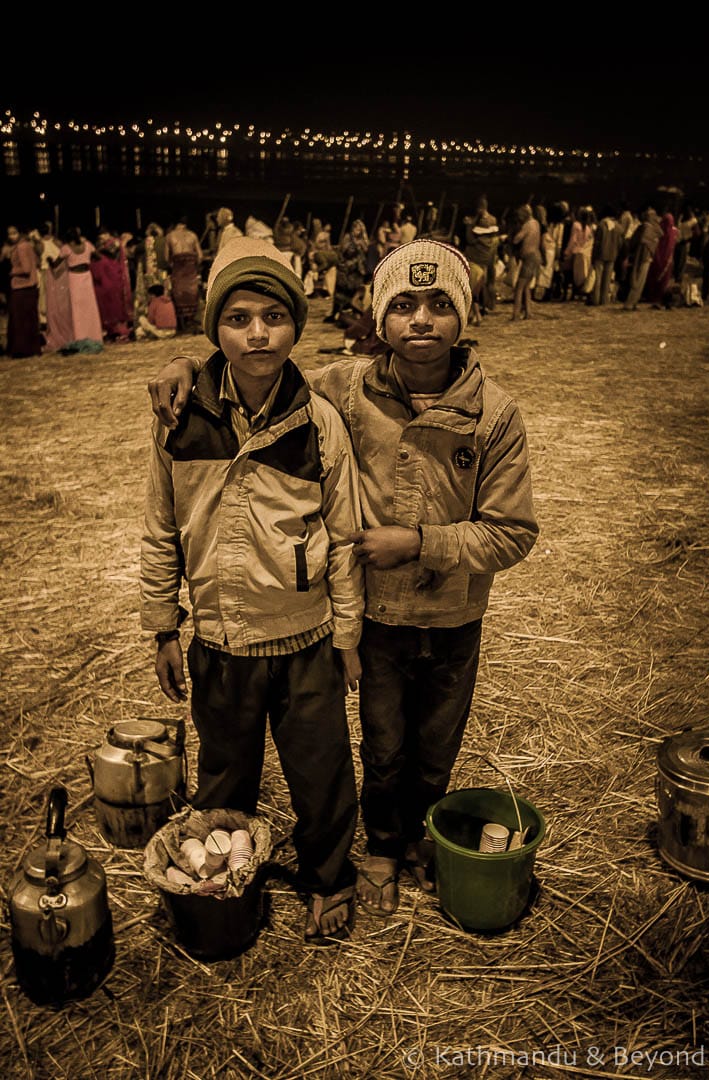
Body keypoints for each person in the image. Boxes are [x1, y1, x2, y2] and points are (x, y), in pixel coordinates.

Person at [147, 238, 539, 918]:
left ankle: (418, 840)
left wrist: (420, 543)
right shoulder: (346, 388)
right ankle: (381, 846)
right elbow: (256, 358)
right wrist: (188, 360)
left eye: (441, 305)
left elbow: (514, 532)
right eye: (404, 306)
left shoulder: (494, 414)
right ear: (379, 319)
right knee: (380, 746)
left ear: (466, 315)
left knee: (434, 746)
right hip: (374, 619)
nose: (421, 321)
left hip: (452, 616)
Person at [140, 237, 364, 945]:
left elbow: (346, 536)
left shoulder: (316, 420)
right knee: (223, 772)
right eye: (238, 318)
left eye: (274, 315)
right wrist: (162, 625)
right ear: (215, 329)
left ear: (297, 323)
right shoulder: (180, 419)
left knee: (322, 771)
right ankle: (223, 880)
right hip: (220, 640)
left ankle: (328, 877)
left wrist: (349, 637)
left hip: (304, 638)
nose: (258, 333)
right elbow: (160, 529)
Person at [52, 226, 103, 345]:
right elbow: (99, 257)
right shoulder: (88, 245)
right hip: (86, 276)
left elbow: (55, 264)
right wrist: (87, 259)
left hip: (74, 278)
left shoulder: (66, 248)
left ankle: (80, 336)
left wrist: (49, 260)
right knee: (90, 306)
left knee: (77, 308)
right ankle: (94, 335)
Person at [0, 225, 44, 357]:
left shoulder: (21, 247)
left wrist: (11, 271)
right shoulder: (26, 246)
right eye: (9, 233)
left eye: (14, 233)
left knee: (20, 321)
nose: (11, 236)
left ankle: (22, 350)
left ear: (19, 233)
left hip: (22, 287)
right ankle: (31, 348)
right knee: (29, 319)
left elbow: (25, 268)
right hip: (28, 287)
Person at [165, 217, 204, 333]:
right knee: (192, 294)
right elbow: (200, 256)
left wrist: (176, 265)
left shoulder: (170, 236)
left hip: (178, 270)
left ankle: (183, 324)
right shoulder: (192, 235)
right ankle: (192, 321)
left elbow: (166, 258)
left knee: (179, 294)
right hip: (191, 270)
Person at [623, 207, 662, 311]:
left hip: (643, 257)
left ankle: (633, 302)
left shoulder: (646, 227)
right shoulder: (647, 228)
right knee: (638, 280)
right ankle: (630, 303)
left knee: (639, 280)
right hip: (643, 257)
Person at [511, 204, 542, 320]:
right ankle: (528, 312)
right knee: (526, 287)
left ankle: (516, 314)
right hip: (536, 256)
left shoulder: (527, 225)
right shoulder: (536, 223)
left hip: (529, 257)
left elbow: (516, 239)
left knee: (519, 287)